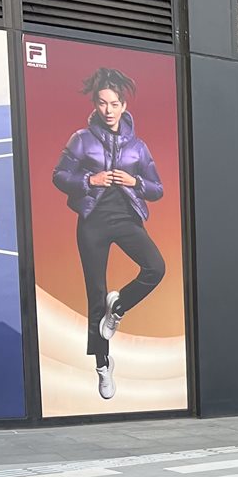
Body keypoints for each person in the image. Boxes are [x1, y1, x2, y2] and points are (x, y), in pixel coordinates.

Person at [52, 67, 166, 403]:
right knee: (96, 294)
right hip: (92, 222)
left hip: (126, 219)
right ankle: (102, 365)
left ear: (124, 105)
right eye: (102, 103)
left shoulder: (138, 147)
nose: (108, 110)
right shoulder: (81, 139)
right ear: (95, 104)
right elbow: (59, 176)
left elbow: (157, 189)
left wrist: (135, 182)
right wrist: (90, 180)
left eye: (114, 103)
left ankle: (119, 307)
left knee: (155, 268)